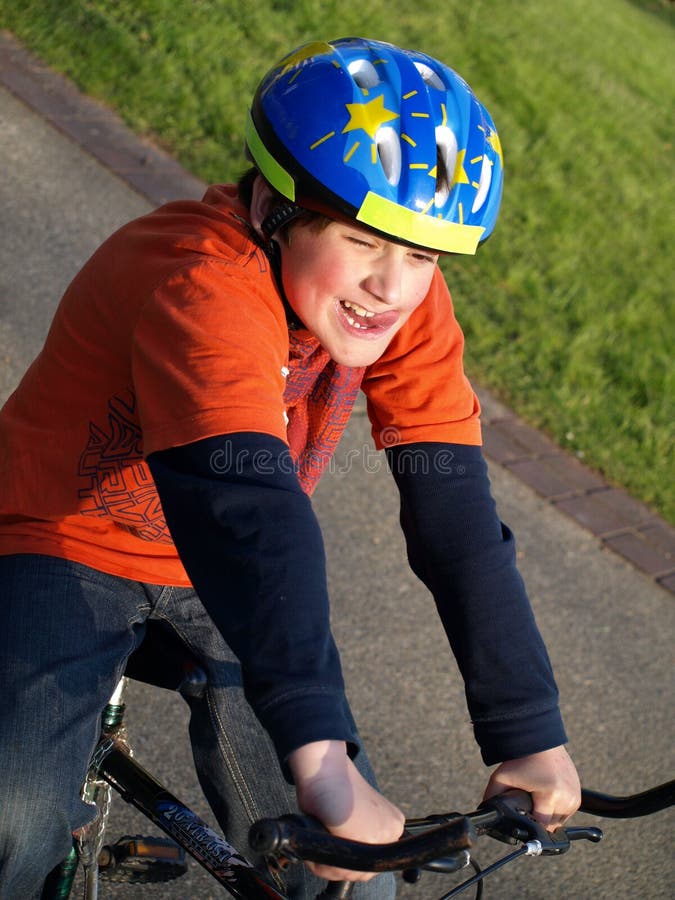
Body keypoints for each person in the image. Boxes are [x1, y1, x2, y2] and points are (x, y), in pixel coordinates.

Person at [0, 36, 580, 898]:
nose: (392, 287)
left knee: (351, 875)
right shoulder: (199, 281)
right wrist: (322, 760)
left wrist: (527, 730)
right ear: (275, 206)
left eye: (422, 255)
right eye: (364, 241)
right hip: (61, 540)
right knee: (14, 819)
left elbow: (454, 514)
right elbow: (251, 513)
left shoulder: (401, 306)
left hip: (222, 575)